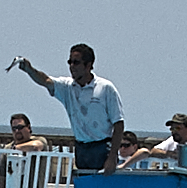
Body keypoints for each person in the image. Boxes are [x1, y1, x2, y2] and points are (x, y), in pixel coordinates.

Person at [16, 44, 123, 174]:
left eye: (76, 63)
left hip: (102, 148)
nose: (72, 66)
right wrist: (30, 70)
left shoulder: (106, 88)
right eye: (70, 62)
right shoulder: (67, 87)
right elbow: (45, 81)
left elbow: (118, 124)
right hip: (81, 148)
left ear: (88, 65)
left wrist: (112, 157)